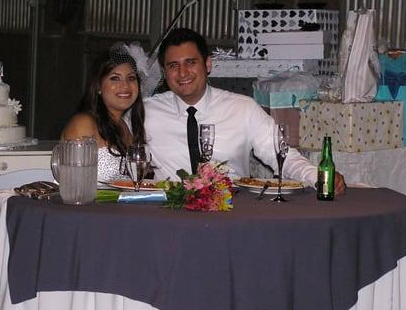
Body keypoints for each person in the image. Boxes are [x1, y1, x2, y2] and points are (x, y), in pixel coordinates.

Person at [144, 27, 346, 194]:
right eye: (173, 66)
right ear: (164, 73)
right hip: (169, 215)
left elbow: (281, 155)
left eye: (191, 62)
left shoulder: (243, 108)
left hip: (233, 212)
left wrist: (317, 177)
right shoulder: (146, 112)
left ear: (208, 64)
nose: (182, 73)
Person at [61, 47, 146, 182]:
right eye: (115, 78)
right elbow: (73, 184)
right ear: (98, 86)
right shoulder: (84, 123)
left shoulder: (126, 128)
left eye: (131, 78)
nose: (125, 86)